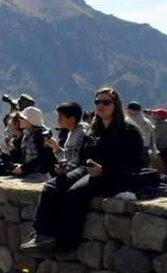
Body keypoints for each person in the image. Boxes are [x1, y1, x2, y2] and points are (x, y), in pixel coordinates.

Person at [22, 88, 144, 252]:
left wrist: (105, 170)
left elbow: (135, 162)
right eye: (97, 102)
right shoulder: (95, 130)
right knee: (52, 186)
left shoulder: (128, 132)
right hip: (88, 168)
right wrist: (64, 169)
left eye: (106, 102)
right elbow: (83, 156)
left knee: (75, 193)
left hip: (113, 175)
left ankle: (66, 244)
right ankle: (42, 235)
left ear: (116, 105)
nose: (101, 105)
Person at [10, 106, 53, 182]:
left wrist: (24, 168)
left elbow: (42, 158)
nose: (19, 120)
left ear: (30, 120)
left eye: (22, 118)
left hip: (39, 174)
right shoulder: (27, 133)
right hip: (30, 171)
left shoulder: (39, 135)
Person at [45, 102, 88, 175]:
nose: (58, 120)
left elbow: (76, 160)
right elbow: (69, 155)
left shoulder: (81, 134)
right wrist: (56, 147)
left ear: (71, 119)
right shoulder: (72, 131)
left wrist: (65, 170)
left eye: (60, 117)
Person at [126, 101, 158, 167]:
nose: (127, 112)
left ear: (133, 110)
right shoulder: (147, 121)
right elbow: (152, 138)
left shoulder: (131, 121)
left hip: (134, 150)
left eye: (129, 110)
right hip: (145, 149)